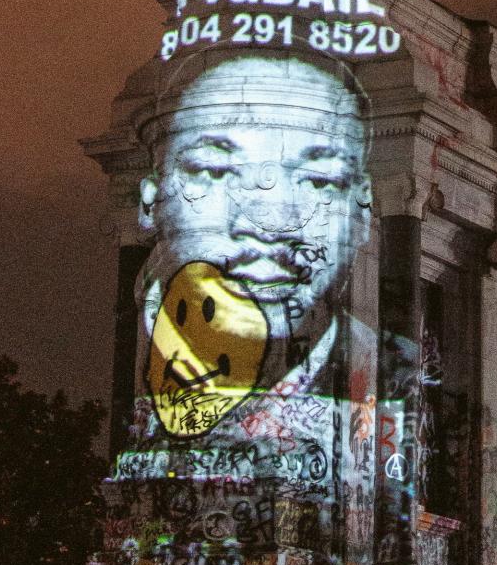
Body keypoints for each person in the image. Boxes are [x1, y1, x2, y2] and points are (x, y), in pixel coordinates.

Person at [121, 47, 375, 485]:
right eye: (216, 171)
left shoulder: (386, 368)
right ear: (151, 201)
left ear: (363, 209)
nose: (270, 222)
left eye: (318, 179)